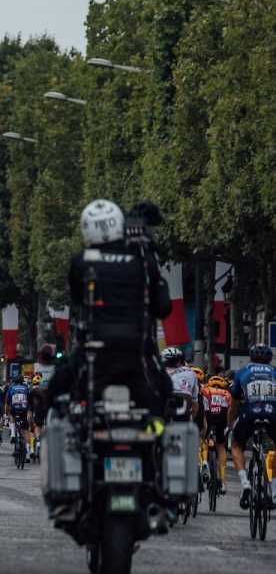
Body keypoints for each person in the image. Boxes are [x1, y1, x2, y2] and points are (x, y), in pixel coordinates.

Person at [48, 199, 172, 416]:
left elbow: (78, 299)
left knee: (57, 387)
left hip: (94, 351)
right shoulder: (143, 260)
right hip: (138, 350)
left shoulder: (81, 261)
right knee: (166, 389)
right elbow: (163, 307)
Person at [228, 344, 276, 509]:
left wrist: (230, 425)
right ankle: (275, 490)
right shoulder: (275, 372)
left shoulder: (243, 372)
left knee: (235, 445)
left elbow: (233, 405)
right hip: (272, 414)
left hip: (249, 414)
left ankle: (245, 482)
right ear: (270, 358)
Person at [200, 374, 231, 494]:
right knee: (221, 446)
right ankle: (223, 482)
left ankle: (204, 462)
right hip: (222, 419)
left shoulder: (206, 390)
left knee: (204, 439)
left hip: (208, 416)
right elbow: (230, 410)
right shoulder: (227, 394)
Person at [162, 347, 199, 421]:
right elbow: (195, 403)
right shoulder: (191, 373)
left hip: (165, 408)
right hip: (184, 413)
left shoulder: (159, 372)